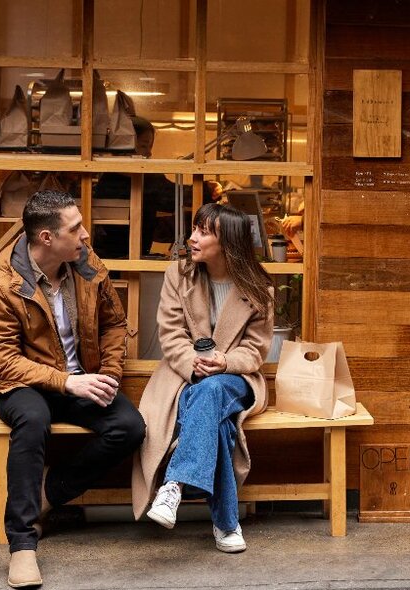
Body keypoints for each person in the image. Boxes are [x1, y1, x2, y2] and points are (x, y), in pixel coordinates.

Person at [0, 190, 146, 588]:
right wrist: (67, 381)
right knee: (32, 423)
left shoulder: (86, 264)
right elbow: (2, 359)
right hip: (23, 382)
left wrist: (110, 375)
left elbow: (115, 324)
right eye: (76, 228)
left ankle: (50, 490)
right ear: (47, 238)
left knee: (130, 427)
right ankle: (22, 544)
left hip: (82, 378)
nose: (86, 235)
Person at [131, 202, 274, 553]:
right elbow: (170, 334)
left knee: (212, 391)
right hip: (184, 375)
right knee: (217, 418)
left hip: (236, 380)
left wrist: (225, 361)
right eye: (194, 229)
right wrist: (194, 363)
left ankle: (175, 484)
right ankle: (226, 524)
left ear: (228, 243)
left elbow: (256, 350)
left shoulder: (259, 288)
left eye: (203, 232)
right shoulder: (178, 275)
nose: (192, 238)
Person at [93, 117, 222, 258]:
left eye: (149, 147)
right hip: (116, 259)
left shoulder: (108, 178)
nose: (149, 153)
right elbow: (170, 196)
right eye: (144, 146)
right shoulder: (141, 180)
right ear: (123, 146)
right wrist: (207, 190)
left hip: (118, 256)